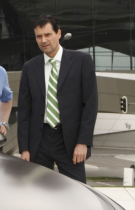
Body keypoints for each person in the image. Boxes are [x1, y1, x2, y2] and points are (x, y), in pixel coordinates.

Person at [17, 15, 98, 183]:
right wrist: (24, 148)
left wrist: (83, 142)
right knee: (38, 192)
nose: (43, 40)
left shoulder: (82, 61)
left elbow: (90, 104)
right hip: (39, 142)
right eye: (39, 36)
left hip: (70, 142)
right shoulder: (29, 67)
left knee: (75, 191)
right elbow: (24, 111)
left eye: (47, 35)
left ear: (59, 33)